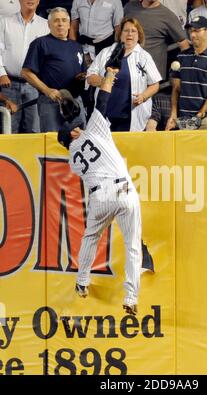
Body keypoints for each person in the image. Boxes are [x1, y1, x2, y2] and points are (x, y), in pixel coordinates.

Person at [57, 66, 142, 316]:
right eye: (75, 127)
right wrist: (111, 76)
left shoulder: (73, 160)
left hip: (99, 197)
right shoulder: (94, 131)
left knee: (91, 237)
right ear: (73, 133)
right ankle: (131, 296)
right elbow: (103, 100)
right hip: (123, 190)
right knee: (132, 245)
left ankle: (82, 281)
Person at [87, 17, 161, 132]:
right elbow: (90, 77)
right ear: (120, 34)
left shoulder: (144, 56)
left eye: (133, 31)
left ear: (139, 35)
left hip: (132, 115)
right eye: (126, 31)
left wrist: (143, 96)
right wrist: (104, 81)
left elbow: (155, 85)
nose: (129, 34)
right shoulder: (105, 53)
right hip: (105, 113)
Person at [21, 7, 86, 132]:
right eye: (56, 20)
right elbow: (26, 72)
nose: (60, 23)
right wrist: (47, 90)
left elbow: (82, 74)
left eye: (63, 20)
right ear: (49, 25)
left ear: (68, 24)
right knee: (52, 142)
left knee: (80, 141)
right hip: (51, 101)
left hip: (75, 101)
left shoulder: (77, 46)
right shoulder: (40, 43)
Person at [166, 16, 207, 131]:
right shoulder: (181, 57)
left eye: (197, 31)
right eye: (191, 31)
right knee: (185, 149)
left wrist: (200, 115)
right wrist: (173, 114)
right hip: (184, 117)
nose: (192, 35)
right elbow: (176, 88)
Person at [0, 0, 49, 133]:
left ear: (39, 1)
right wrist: (1, 73)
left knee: (34, 130)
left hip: (34, 85)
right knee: (8, 130)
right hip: (8, 84)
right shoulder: (4, 21)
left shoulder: (45, 25)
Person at [124, 0, 190, 81]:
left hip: (149, 76)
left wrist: (187, 73)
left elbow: (184, 44)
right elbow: (120, 33)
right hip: (126, 69)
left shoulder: (168, 16)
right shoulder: (129, 8)